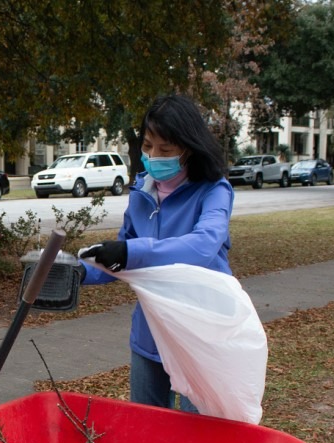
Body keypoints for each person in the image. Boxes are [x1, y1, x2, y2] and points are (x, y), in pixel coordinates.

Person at [80, 94, 234, 414]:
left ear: (188, 148)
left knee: (198, 434)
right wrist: (77, 270)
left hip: (199, 332)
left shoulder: (213, 190)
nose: (153, 156)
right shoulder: (141, 191)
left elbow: (204, 244)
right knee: (147, 429)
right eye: (148, 146)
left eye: (166, 149)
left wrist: (131, 251)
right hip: (151, 331)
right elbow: (122, 256)